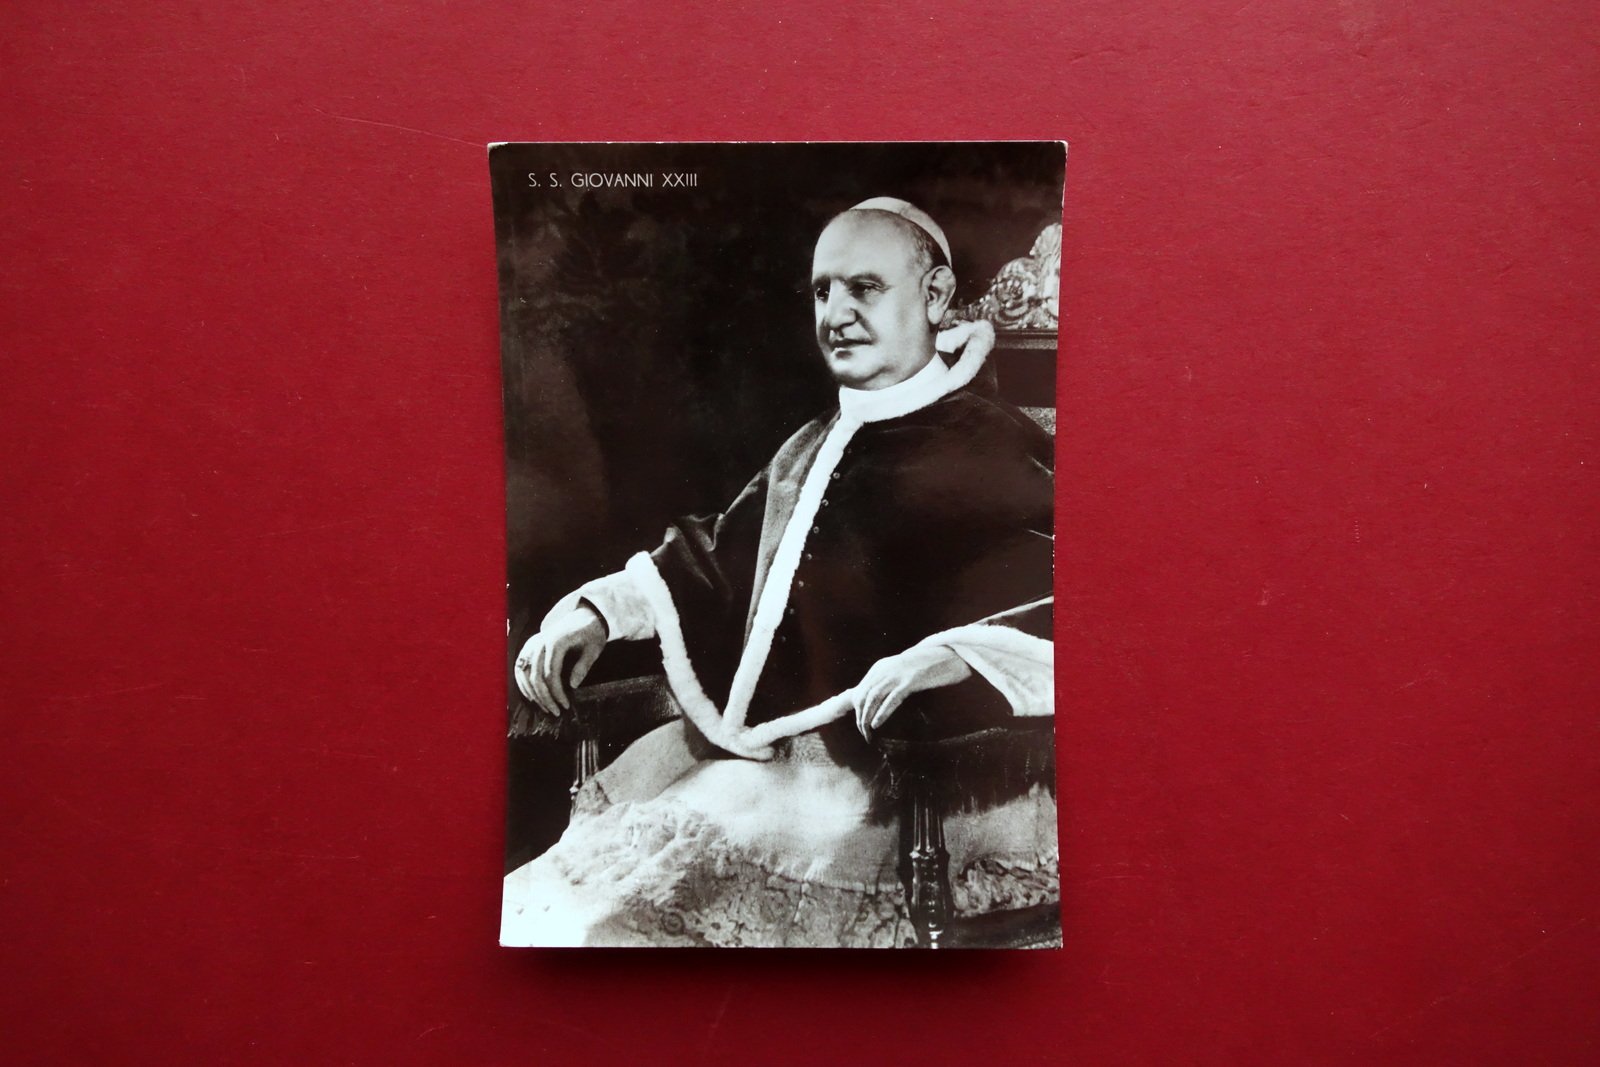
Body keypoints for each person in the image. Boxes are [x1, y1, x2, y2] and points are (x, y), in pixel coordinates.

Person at [501, 198, 1056, 948]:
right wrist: (597, 614)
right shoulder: (808, 446)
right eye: (823, 291)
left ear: (935, 297)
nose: (837, 313)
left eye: (865, 288)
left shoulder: (990, 442)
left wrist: (960, 655)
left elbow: (1071, 594)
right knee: (561, 920)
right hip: (768, 762)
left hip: (903, 787)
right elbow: (715, 557)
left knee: (625, 934)